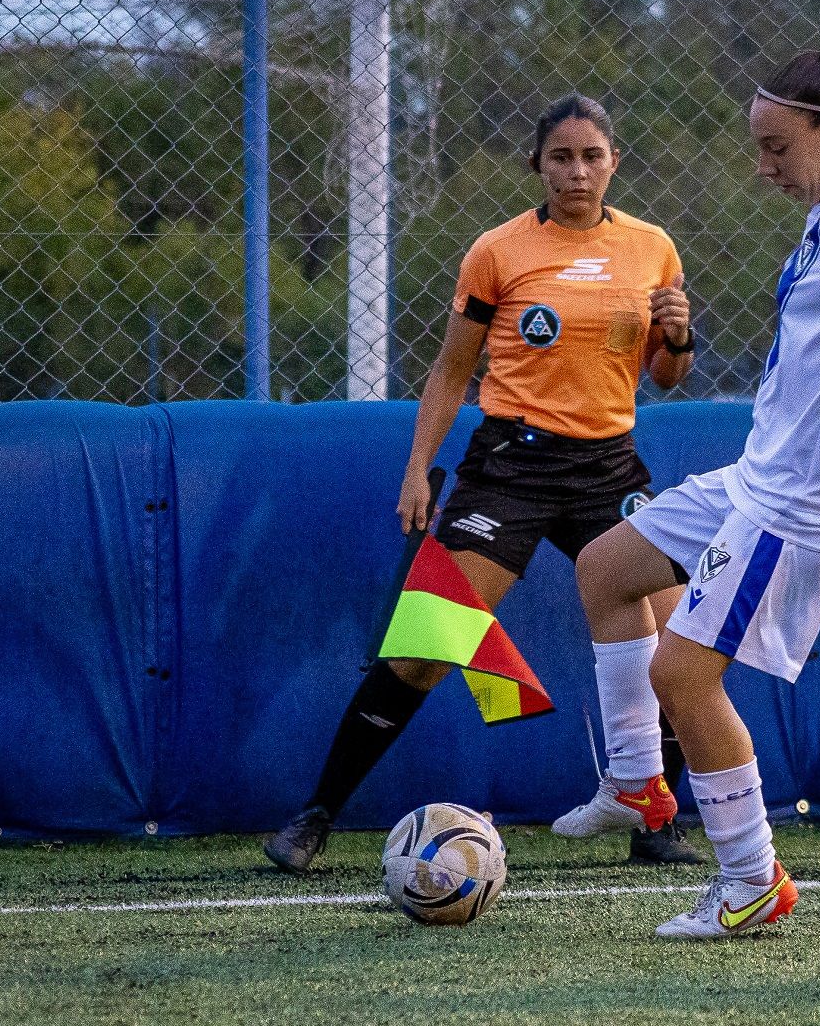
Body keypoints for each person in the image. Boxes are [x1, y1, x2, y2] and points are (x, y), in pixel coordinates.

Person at [551, 15, 820, 939]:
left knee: (684, 673)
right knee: (607, 568)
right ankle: (635, 781)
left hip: (800, 501)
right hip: (763, 475)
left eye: (776, 147)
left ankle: (751, 879)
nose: (763, 166)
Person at [264, 94, 704, 872]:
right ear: (537, 164)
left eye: (591, 156)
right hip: (511, 468)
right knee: (427, 647)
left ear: (614, 163)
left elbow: (667, 374)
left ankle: (654, 824)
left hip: (609, 469)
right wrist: (416, 470)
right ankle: (315, 815)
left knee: (675, 644)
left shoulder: (652, 248)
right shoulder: (498, 252)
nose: (577, 171)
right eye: (561, 157)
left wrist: (679, 333)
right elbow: (451, 370)